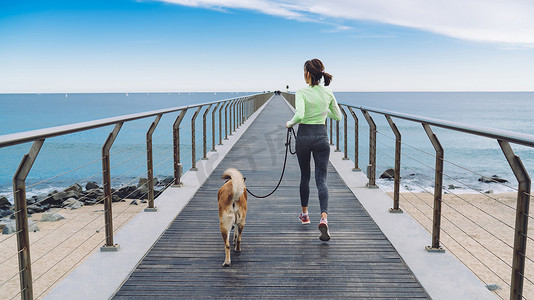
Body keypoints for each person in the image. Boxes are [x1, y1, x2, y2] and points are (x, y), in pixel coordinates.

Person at [285, 58, 342, 241]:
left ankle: (305, 215)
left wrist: (289, 123)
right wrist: (324, 112)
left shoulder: (301, 92)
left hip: (304, 137)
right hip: (321, 136)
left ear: (308, 74)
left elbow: (300, 114)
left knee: (305, 176)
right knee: (321, 179)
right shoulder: (328, 92)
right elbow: (338, 116)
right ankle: (324, 218)